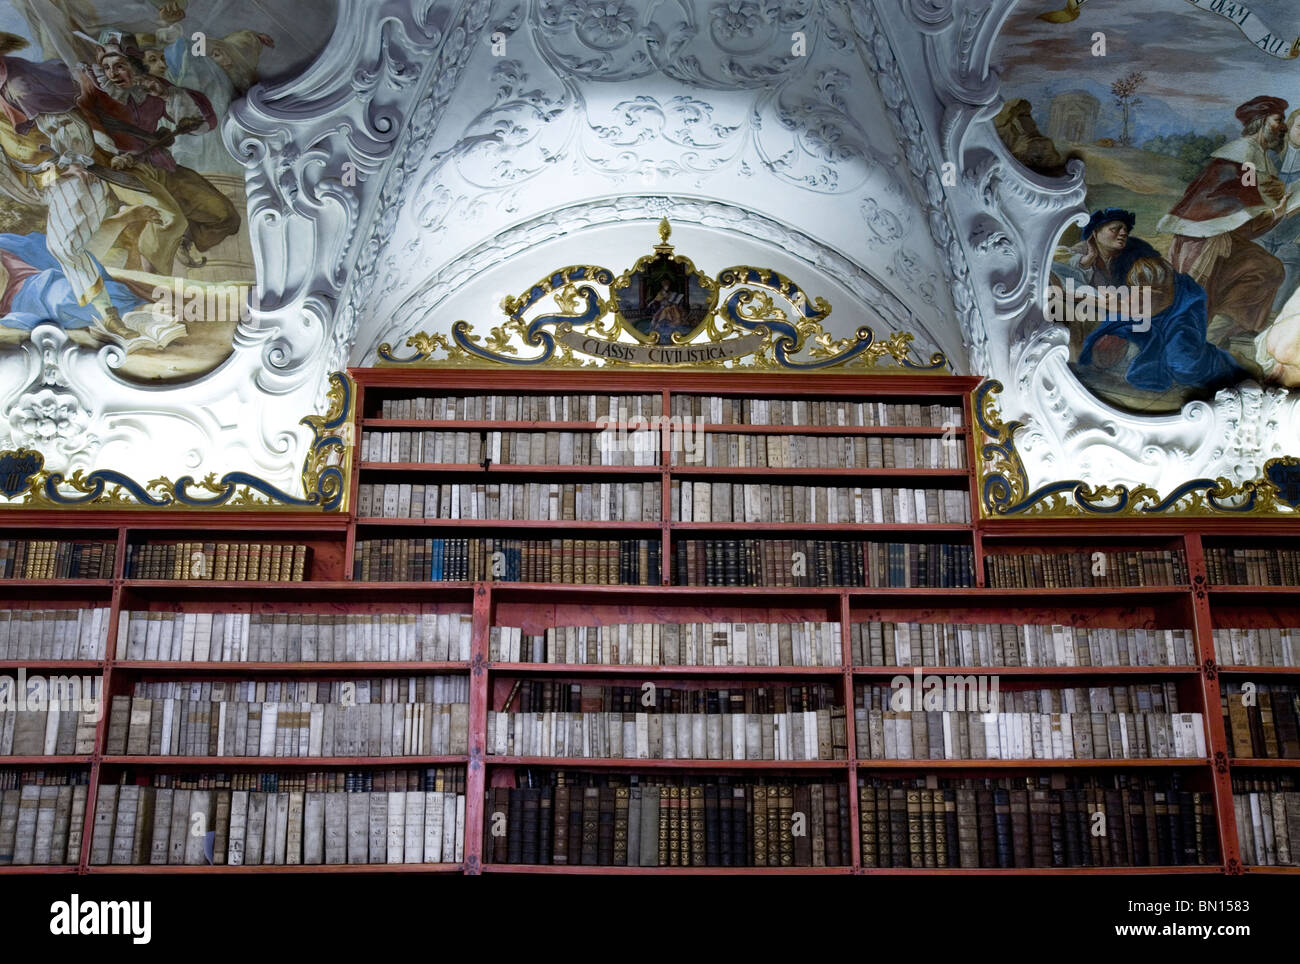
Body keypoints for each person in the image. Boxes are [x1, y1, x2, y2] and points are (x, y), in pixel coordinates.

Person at [1052, 208, 1248, 394]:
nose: (1123, 233)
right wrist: (1086, 264)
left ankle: (1224, 361)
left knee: (1183, 365)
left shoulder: (1138, 253)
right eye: (1115, 229)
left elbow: (1141, 300)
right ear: (1095, 233)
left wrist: (1075, 295)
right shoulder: (1081, 253)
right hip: (1133, 313)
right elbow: (1066, 275)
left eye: (1125, 230)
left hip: (1172, 307)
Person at [1157, 96, 1298, 347]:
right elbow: (1234, 203)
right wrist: (1275, 212)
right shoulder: (1242, 155)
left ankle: (1218, 332)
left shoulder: (1255, 155)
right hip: (1204, 239)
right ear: (1262, 122)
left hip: (1222, 235)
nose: (1283, 127)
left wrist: (1275, 211)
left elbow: (1248, 202)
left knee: (1268, 270)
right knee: (1197, 299)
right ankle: (1190, 344)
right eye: (1278, 120)